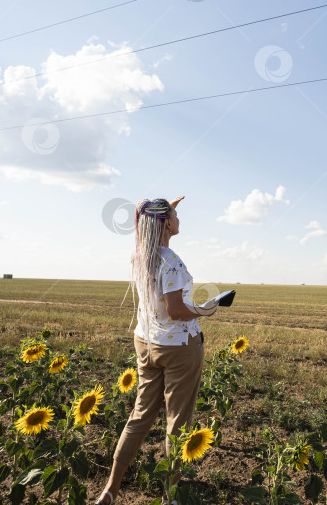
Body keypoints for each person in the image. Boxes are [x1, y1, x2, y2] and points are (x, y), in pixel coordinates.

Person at [95, 196, 218, 505]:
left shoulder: (139, 256)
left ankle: (110, 488)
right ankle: (169, 496)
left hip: (147, 343)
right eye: (174, 214)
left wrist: (155, 207)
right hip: (179, 348)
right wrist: (205, 310)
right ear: (165, 224)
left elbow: (148, 218)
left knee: (139, 416)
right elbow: (176, 311)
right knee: (178, 422)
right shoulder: (171, 260)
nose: (179, 219)